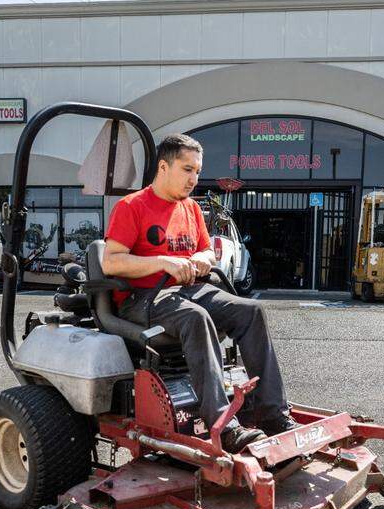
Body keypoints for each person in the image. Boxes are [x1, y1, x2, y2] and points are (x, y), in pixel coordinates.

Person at [102, 133, 296, 454]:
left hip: (190, 289)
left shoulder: (191, 209)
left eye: (197, 171)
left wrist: (199, 260)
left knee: (250, 312)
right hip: (144, 299)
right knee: (197, 318)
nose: (194, 179)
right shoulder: (131, 207)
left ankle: (272, 414)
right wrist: (164, 262)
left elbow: (208, 252)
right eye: (187, 169)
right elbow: (111, 262)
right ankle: (224, 424)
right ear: (163, 167)